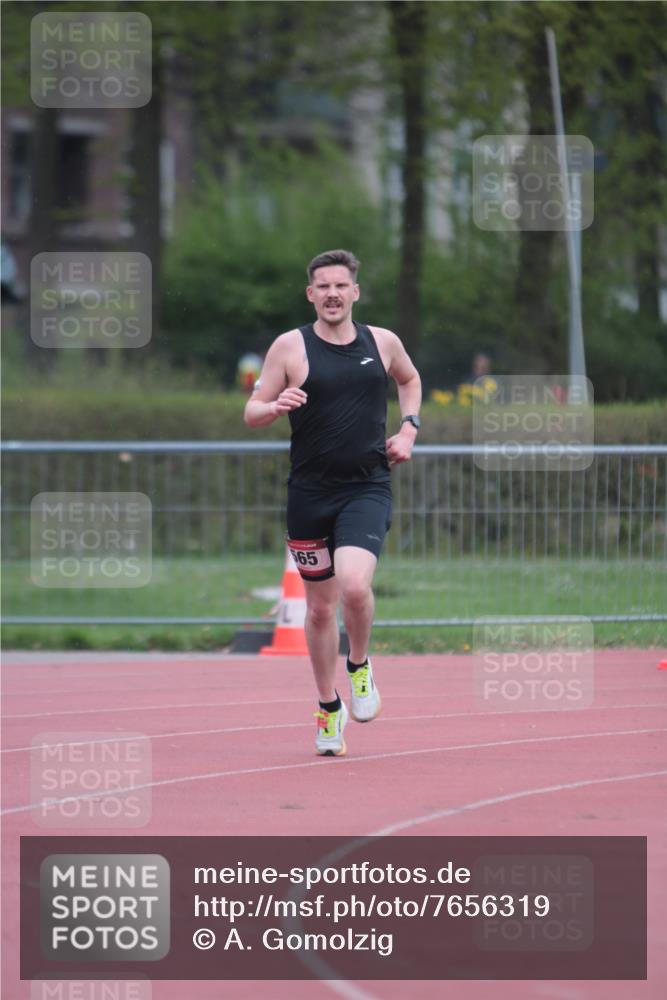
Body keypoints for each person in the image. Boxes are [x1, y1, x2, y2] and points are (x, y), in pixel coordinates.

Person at [244, 249, 421, 757]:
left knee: (355, 586)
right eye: (323, 286)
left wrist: (409, 429)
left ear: (355, 292)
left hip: (366, 486)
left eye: (341, 285)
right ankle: (328, 707)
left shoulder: (382, 342)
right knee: (321, 610)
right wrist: (274, 406)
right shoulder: (290, 347)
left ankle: (359, 665)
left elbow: (409, 379)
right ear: (311, 294)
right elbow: (252, 411)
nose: (332, 294)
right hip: (309, 494)